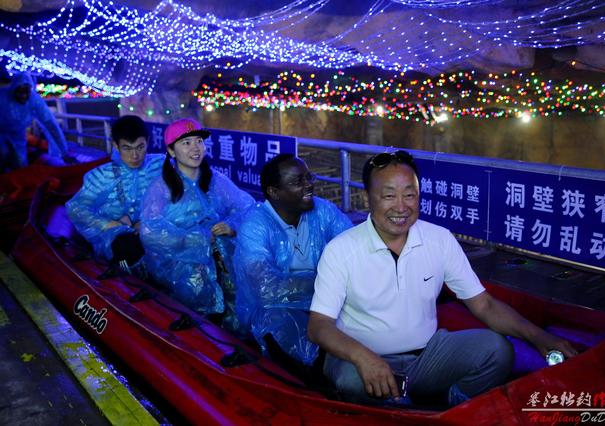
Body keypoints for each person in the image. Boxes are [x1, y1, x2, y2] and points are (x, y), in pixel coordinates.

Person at [308, 150, 577, 406]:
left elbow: (484, 305)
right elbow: (319, 326)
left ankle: (449, 407)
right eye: (388, 196)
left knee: (497, 350)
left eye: (410, 195)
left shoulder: (440, 240)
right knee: (349, 380)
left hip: (426, 356)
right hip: (362, 358)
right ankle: (396, 404)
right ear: (368, 198)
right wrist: (362, 357)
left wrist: (539, 337)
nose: (401, 207)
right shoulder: (341, 250)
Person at [233, 154, 352, 365]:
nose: (309, 186)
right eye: (298, 182)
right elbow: (265, 288)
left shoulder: (323, 210)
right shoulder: (255, 225)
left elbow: (353, 248)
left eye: (309, 178)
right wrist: (327, 284)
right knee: (281, 325)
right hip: (276, 309)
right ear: (274, 192)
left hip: (326, 298)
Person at [140, 118, 254, 320]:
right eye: (186, 143)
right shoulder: (161, 187)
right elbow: (150, 232)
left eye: (199, 141)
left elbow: (247, 207)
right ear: (172, 151)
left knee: (234, 309)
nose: (196, 148)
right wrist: (194, 239)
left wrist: (232, 226)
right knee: (196, 316)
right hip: (181, 271)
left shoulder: (216, 180)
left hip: (222, 261)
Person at [66, 115, 162, 272]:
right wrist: (110, 225)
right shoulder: (100, 176)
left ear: (148, 142)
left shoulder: (159, 165)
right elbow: (75, 208)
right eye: (127, 148)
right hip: (116, 237)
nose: (135, 155)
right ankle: (130, 283)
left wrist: (145, 222)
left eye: (140, 147)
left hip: (152, 227)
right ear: (116, 146)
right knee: (127, 247)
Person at [0, 72, 74, 172]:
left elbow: (51, 125)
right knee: (2, 156)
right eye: (19, 92)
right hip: (1, 132)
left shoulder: (35, 101)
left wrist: (63, 152)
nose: (23, 96)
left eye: (25, 92)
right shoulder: (2, 96)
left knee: (20, 164)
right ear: (13, 90)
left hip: (19, 134)